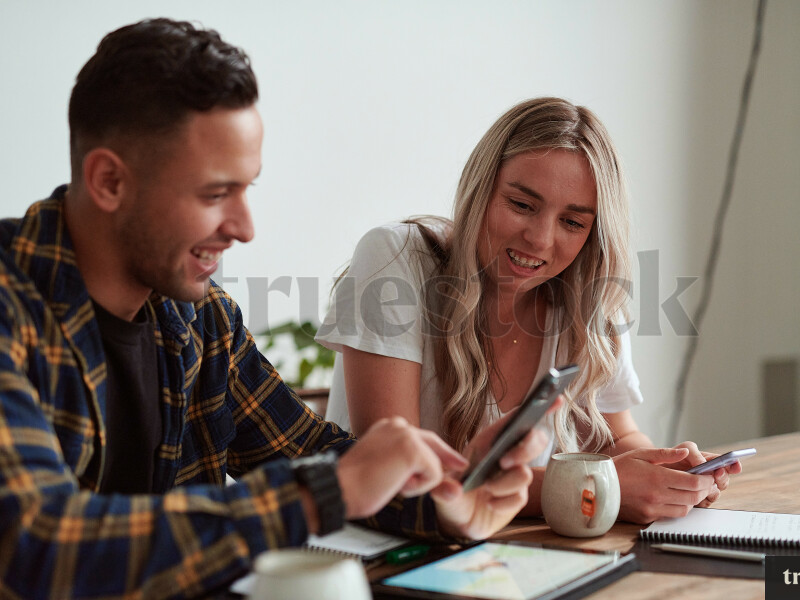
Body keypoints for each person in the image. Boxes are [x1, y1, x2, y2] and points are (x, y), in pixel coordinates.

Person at [0, 19, 551, 599]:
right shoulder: (14, 311)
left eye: (246, 189)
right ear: (109, 180)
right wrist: (323, 493)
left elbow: (309, 450)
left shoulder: (201, 319)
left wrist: (450, 493)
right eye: (215, 194)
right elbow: (38, 544)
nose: (244, 227)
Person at [316, 97, 741, 525]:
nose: (540, 240)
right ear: (481, 187)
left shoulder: (586, 298)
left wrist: (666, 471)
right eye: (521, 205)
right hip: (378, 557)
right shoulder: (395, 259)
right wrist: (592, 487)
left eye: (572, 223)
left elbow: (615, 439)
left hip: (502, 552)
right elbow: (397, 476)